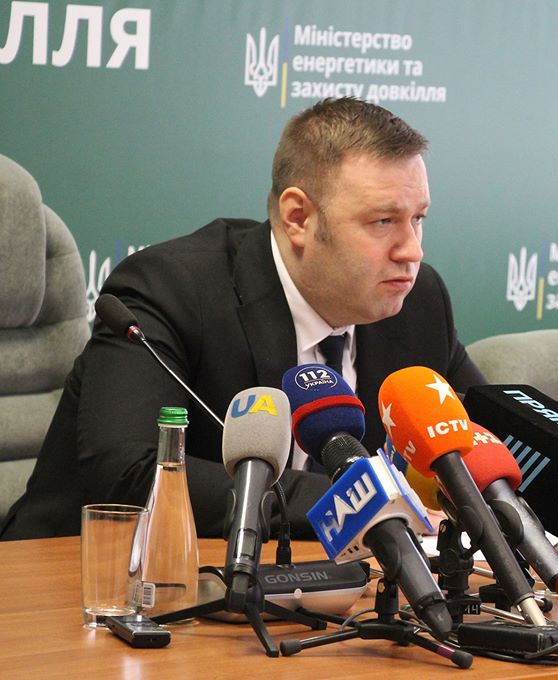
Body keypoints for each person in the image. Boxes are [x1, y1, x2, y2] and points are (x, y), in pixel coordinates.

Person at [1, 98, 485, 540]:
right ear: (298, 218)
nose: (412, 251)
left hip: (314, 590)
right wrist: (364, 504)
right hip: (79, 577)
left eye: (418, 219)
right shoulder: (171, 289)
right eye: (383, 221)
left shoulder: (418, 302)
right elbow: (130, 471)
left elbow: (486, 439)